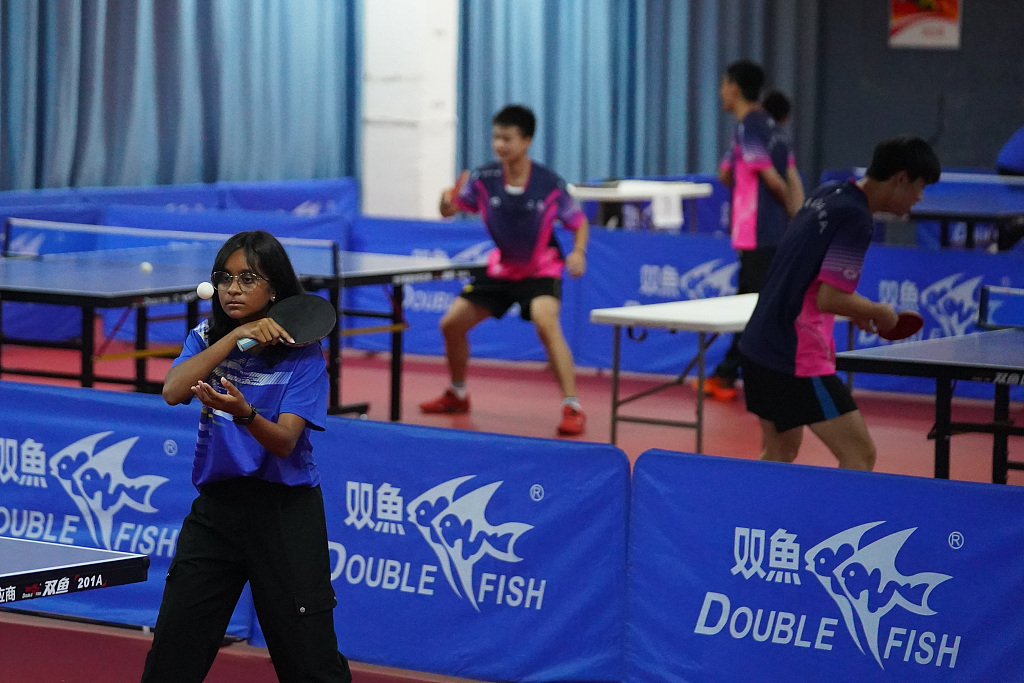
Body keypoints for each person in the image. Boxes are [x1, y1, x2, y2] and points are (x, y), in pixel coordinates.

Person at [142, 231, 351, 682]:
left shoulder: (305, 356)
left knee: (309, 664)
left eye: (247, 278)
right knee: (173, 652)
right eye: (224, 278)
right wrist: (237, 337)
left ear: (273, 288)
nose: (232, 288)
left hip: (285, 515)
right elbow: (173, 390)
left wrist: (244, 413)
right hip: (217, 511)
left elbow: (284, 442)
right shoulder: (206, 336)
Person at [739, 136, 941, 470]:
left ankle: (740, 519)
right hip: (794, 356)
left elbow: (810, 277)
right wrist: (880, 312)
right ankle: (843, 526)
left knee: (779, 454)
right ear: (900, 178)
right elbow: (830, 297)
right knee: (860, 455)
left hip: (758, 344)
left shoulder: (828, 193)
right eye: (919, 187)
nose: (919, 198)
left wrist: (856, 310)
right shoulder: (857, 218)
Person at [419, 104, 590, 436]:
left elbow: (578, 222)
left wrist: (579, 252)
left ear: (526, 141)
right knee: (451, 324)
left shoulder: (549, 183)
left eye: (507, 138)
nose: (499, 144)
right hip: (501, 269)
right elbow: (451, 209)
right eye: (496, 137)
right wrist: (445, 202)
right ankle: (458, 393)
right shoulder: (483, 179)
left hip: (541, 268)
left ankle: (573, 405)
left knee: (545, 321)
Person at [704, 60, 798, 402]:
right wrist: (795, 218)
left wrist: (789, 209)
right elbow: (729, 173)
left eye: (722, 85)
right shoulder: (772, 127)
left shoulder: (750, 126)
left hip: (758, 231)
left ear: (733, 87)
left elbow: (773, 179)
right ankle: (731, 373)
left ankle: (729, 375)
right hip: (770, 232)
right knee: (759, 304)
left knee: (750, 307)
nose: (719, 92)